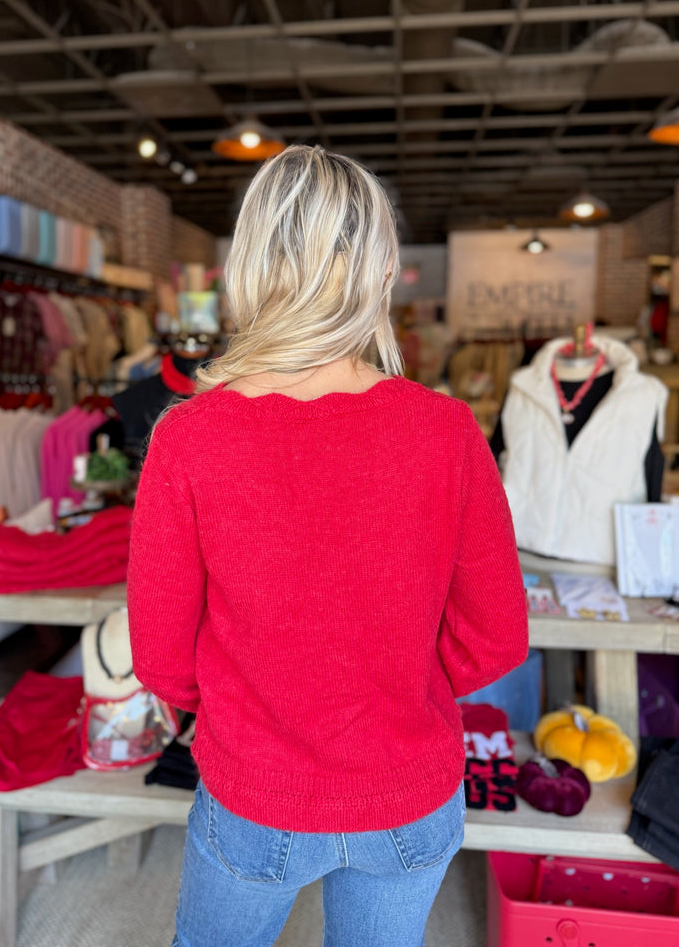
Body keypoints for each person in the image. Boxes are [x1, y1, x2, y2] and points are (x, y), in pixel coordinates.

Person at [127, 145, 528, 947]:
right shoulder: (445, 432)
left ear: (252, 265)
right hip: (408, 792)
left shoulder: (191, 439)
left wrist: (271, 700)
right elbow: (499, 635)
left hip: (258, 793)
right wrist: (394, 680)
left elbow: (162, 660)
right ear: (380, 270)